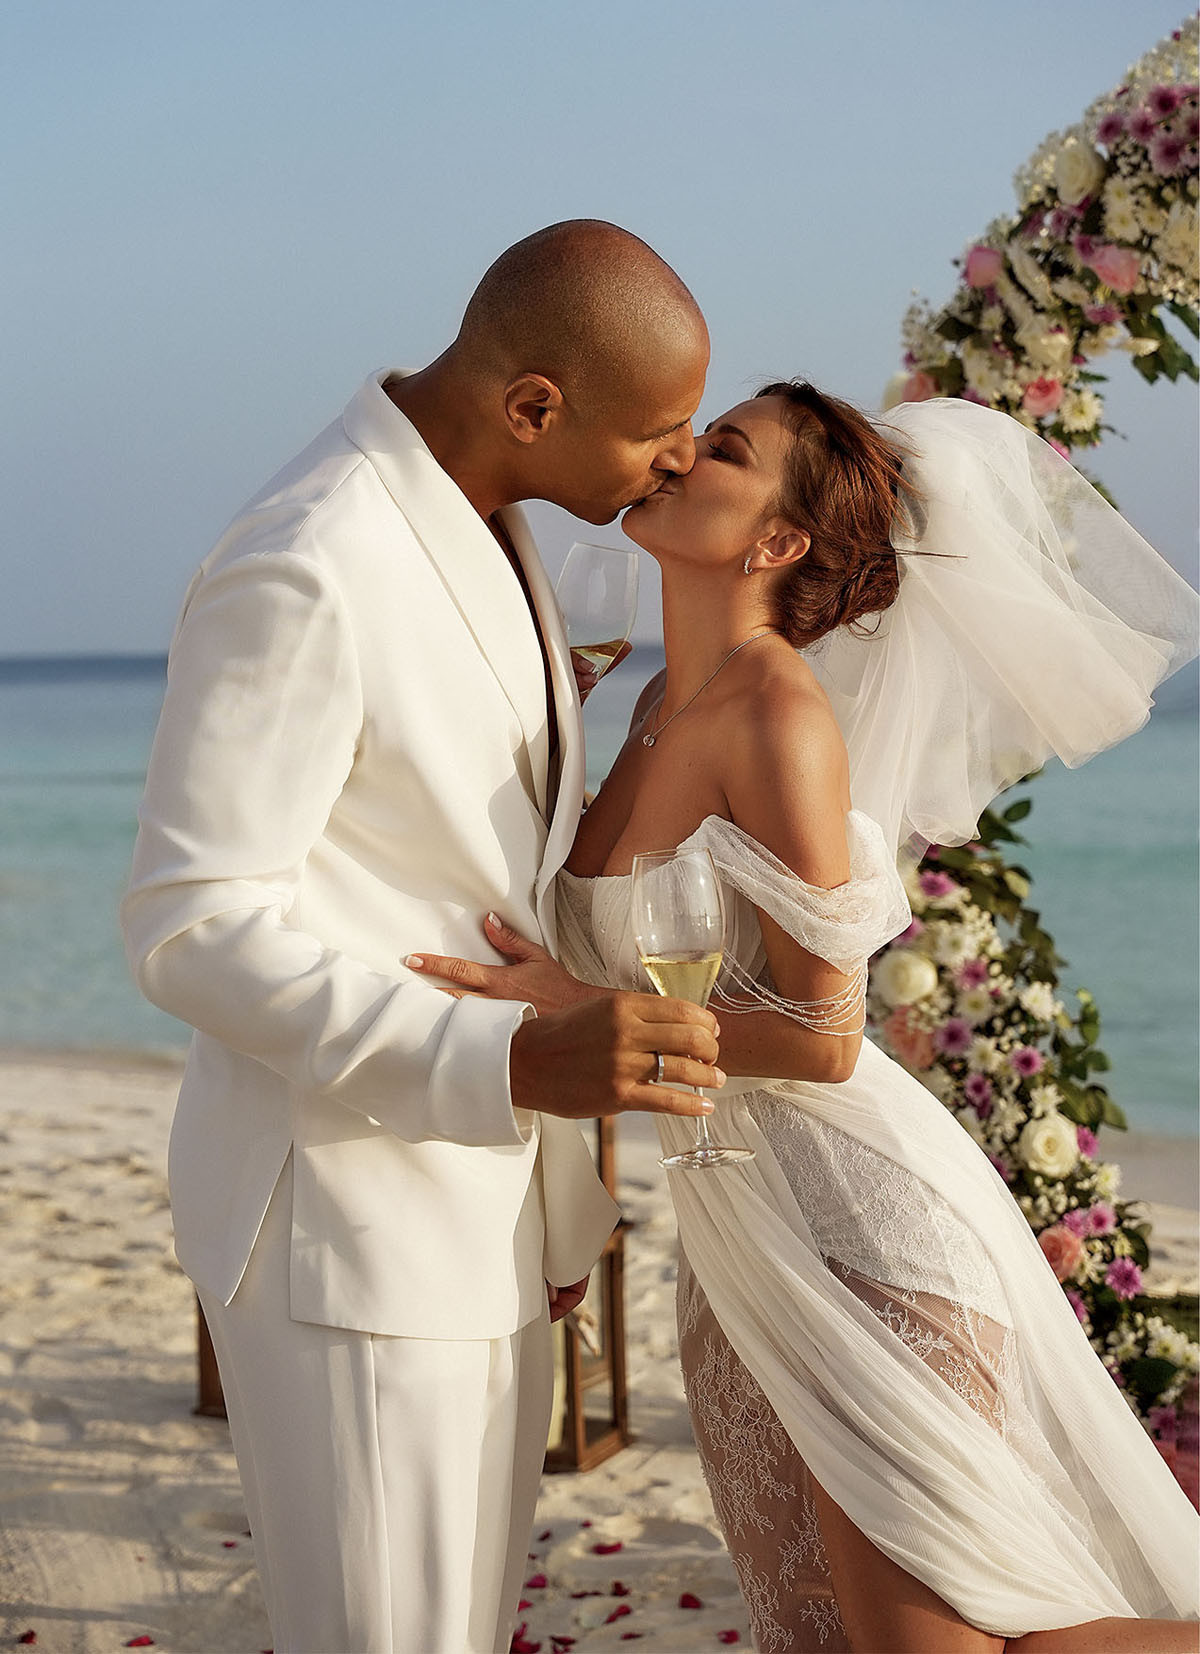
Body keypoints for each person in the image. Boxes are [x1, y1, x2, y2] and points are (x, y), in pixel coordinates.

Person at [411, 383, 1200, 1650]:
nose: (682, 453)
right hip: (737, 1228)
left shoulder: (778, 714)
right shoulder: (657, 702)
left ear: (777, 541)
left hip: (856, 1226)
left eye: (723, 449)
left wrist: (589, 1008)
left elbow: (827, 1038)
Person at [120, 220, 726, 1654]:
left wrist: (554, 1185)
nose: (685, 460)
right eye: (660, 430)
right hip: (352, 1222)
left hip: (481, 1207)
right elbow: (189, 922)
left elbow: (457, 858)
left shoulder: (494, 520)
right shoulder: (309, 559)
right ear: (534, 405)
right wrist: (507, 1065)